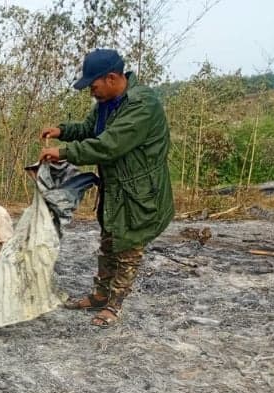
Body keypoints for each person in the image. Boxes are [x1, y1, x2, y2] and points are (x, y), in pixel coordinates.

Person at [37, 48, 174, 328]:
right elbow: (90, 129)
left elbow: (109, 145)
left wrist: (64, 152)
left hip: (139, 192)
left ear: (111, 78)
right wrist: (62, 131)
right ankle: (100, 296)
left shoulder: (141, 105)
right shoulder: (106, 103)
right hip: (115, 188)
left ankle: (114, 305)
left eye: (94, 85)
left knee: (129, 246)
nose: (91, 92)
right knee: (109, 242)